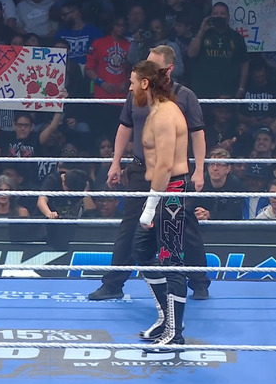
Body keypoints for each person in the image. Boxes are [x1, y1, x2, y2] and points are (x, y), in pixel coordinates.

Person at [88, 45, 209, 301]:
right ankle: (113, 284)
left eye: (154, 67)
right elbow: (125, 126)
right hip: (141, 170)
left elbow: (197, 133)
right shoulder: (137, 95)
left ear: (169, 68)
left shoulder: (183, 97)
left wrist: (199, 169)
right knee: (130, 226)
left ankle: (199, 282)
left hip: (174, 175)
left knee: (184, 225)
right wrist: (115, 162)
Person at [129, 59, 190, 349]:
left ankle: (175, 333)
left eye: (132, 83)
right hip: (160, 191)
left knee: (171, 260)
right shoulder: (156, 111)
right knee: (142, 250)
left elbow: (165, 165)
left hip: (170, 192)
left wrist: (151, 207)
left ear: (145, 84)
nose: (129, 89)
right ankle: (166, 319)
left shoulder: (166, 114)